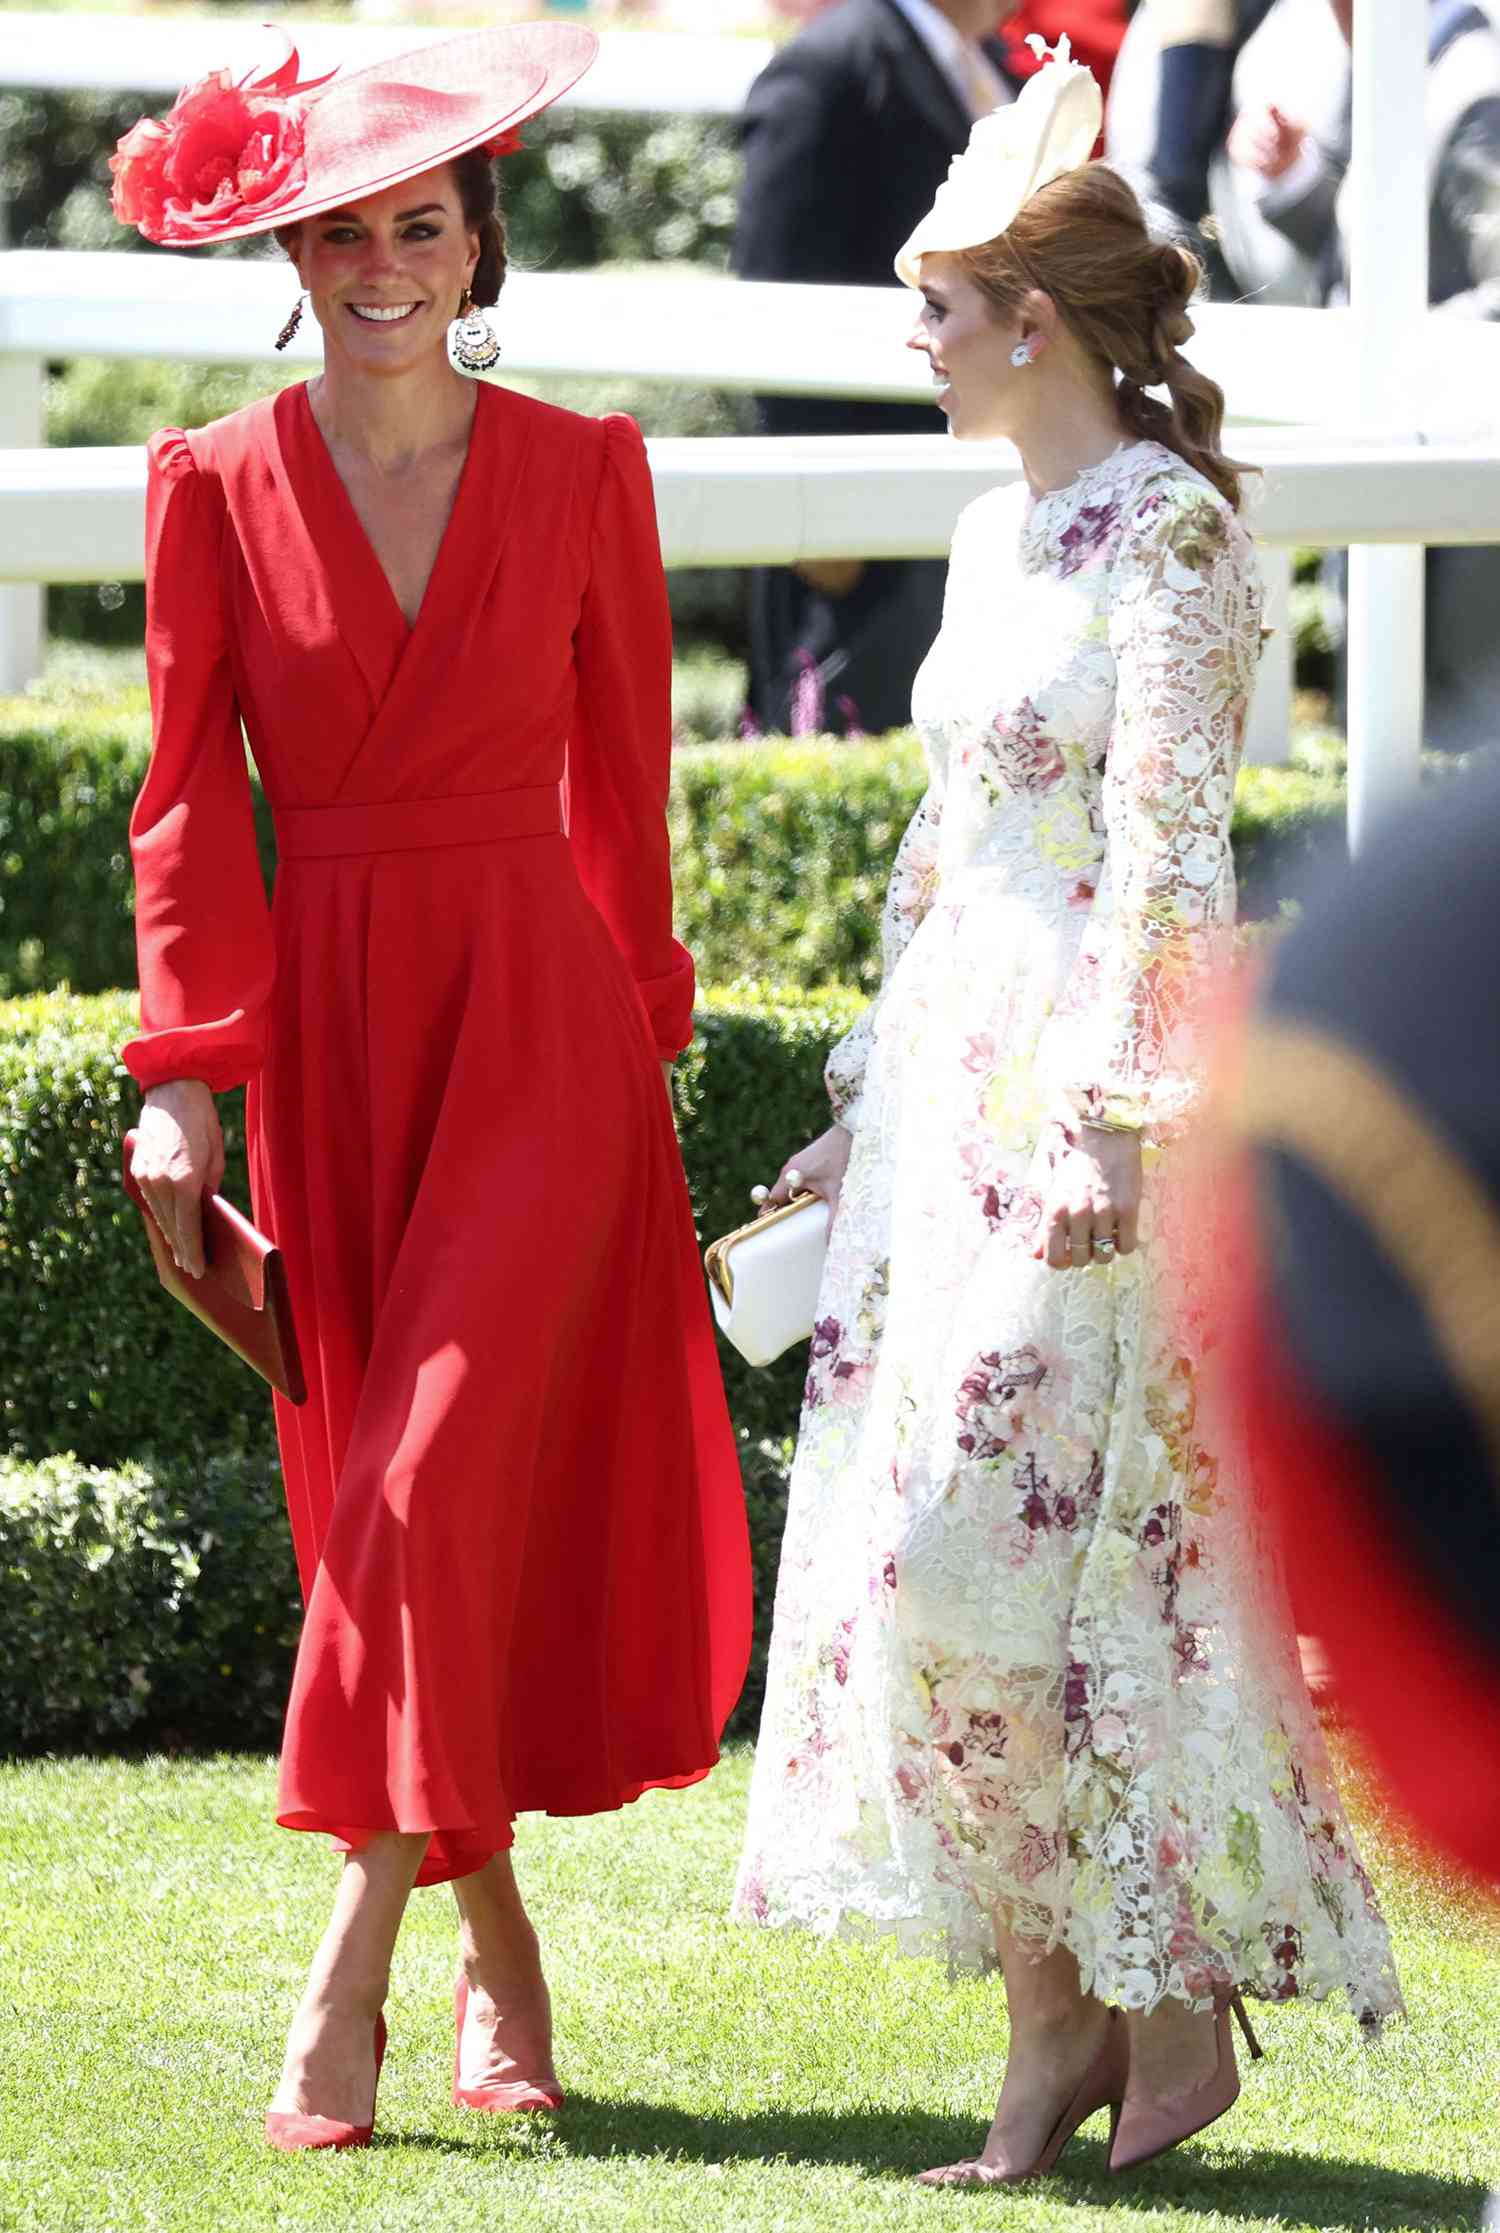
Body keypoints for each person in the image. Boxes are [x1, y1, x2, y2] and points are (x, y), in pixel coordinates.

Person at [733, 38, 1399, 2190]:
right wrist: (853, 1113)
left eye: (932, 305)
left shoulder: (1176, 536)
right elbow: (944, 853)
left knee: (999, 1561)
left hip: (1095, 1116)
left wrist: (1127, 1119)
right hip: (946, 1103)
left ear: (1033, 318)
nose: (908, 337)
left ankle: (1162, 2010)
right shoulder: (984, 520)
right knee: (918, 1582)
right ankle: (1071, 2031)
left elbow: (1173, 847)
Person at [111, 23, 751, 2152]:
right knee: (394, 1514)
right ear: (292, 249)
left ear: (481, 242)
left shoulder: (589, 470)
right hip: (341, 1045)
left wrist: (644, 1030)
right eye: (346, 228)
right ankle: (508, 1959)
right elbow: (190, 809)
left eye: (422, 222)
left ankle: (348, 1982)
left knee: (426, 1484)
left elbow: (630, 798)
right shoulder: (207, 483)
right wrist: (187, 1083)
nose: (383, 262)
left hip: (542, 1037)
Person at [735, 0, 1021, 737]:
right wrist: (823, 522)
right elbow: (774, 297)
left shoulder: (987, 66)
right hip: (855, 527)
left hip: (972, 489)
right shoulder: (828, 66)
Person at [1224, 0, 1500, 750]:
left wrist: (1385, 360)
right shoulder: (1393, 56)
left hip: (1459, 495)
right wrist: (1299, 178)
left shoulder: (1474, 90)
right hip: (1393, 448)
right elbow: (1374, 256)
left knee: (1452, 741)